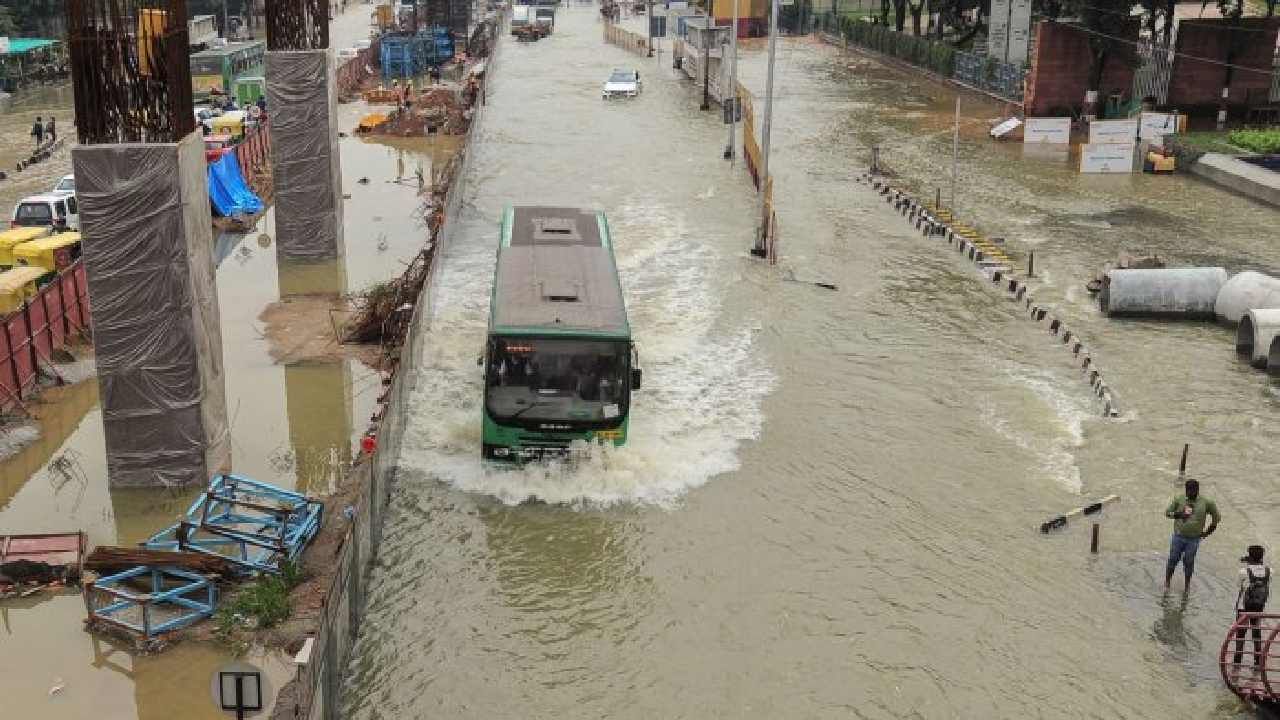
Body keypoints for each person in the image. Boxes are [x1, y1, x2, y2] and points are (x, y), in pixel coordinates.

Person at [1164, 478, 1221, 592]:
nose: (1190, 493)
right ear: (1185, 490)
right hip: (1178, 536)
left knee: (1189, 562)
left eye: (1192, 491)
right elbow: (1167, 513)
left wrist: (1206, 533)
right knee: (1173, 559)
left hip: (1194, 539)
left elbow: (1216, 518)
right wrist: (1178, 514)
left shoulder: (1207, 502)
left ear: (1197, 490)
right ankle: (1167, 582)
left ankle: (1187, 586)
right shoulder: (1179, 499)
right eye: (1188, 491)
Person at [1233, 545, 1270, 669]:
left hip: (1244, 607)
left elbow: (1239, 586)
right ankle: (1257, 662)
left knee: (1240, 635)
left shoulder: (1244, 572)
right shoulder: (1269, 571)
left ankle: (1237, 663)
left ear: (1249, 556)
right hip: (1259, 607)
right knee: (1256, 634)